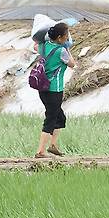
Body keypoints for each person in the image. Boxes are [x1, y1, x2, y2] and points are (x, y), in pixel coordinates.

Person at [35, 23, 77, 158]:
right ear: (59, 38)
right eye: (66, 36)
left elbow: (36, 46)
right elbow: (72, 64)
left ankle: (52, 146)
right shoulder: (62, 51)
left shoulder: (44, 46)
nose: (68, 38)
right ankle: (40, 151)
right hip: (54, 90)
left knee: (60, 117)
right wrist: (67, 48)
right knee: (51, 119)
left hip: (42, 88)